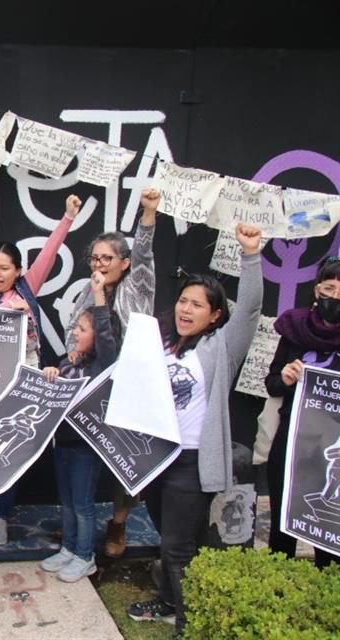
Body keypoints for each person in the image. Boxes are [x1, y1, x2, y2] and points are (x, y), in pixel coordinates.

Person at [127, 223, 263, 635]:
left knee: (179, 548)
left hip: (191, 464)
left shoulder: (221, 347)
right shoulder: (164, 343)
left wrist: (251, 255)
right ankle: (169, 602)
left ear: (215, 315)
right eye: (183, 301)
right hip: (157, 459)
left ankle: (189, 624)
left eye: (197, 305)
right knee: (169, 538)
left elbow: (252, 309)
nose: (186, 309)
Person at [0, 193, 83, 544]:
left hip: (29, 376)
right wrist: (7, 316)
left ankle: (1, 513)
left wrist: (67, 217)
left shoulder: (26, 288)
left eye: (4, 268)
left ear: (17, 271)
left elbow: (49, 255)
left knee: (17, 450)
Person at [65, 188, 160, 557]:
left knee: (127, 462)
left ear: (124, 262)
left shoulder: (137, 284)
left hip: (131, 387)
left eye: (108, 258)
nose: (100, 264)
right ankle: (80, 534)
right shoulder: (87, 293)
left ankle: (118, 521)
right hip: (93, 391)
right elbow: (77, 336)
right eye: (95, 258)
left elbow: (146, 253)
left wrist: (148, 213)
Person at [40, 271, 118, 581]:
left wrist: (99, 295)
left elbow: (107, 334)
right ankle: (69, 549)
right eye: (76, 327)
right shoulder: (68, 359)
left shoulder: (103, 364)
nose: (75, 332)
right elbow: (54, 385)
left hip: (87, 446)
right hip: (64, 442)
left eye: (83, 329)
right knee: (68, 501)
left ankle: (86, 556)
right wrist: (50, 372)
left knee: (83, 503)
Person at [265, 258, 340, 568]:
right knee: (283, 523)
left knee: (330, 530)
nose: (335, 297)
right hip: (292, 444)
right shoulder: (294, 328)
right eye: (329, 288)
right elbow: (271, 384)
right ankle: (276, 596)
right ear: (316, 291)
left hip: (334, 449)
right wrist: (283, 378)